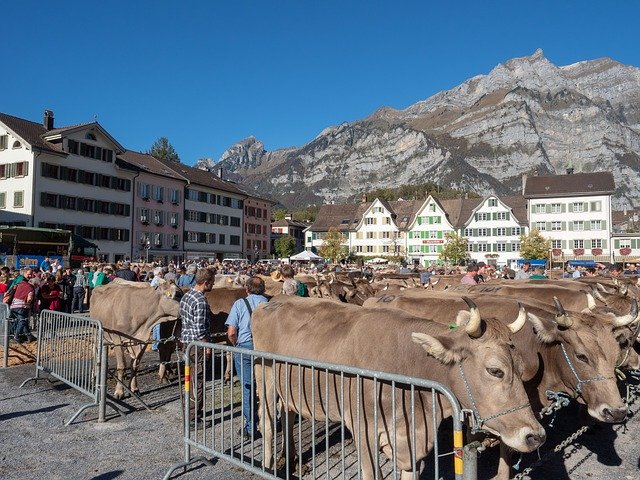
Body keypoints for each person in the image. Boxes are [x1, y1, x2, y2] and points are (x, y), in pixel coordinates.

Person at [226, 276, 268, 437]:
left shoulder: (239, 304)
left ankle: (251, 427)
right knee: (268, 386)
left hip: (245, 348)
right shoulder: (269, 304)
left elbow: (231, 332)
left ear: (247, 289)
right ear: (263, 289)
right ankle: (273, 420)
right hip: (266, 349)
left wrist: (236, 345)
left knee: (248, 386)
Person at [180, 268, 215, 420]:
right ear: (206, 283)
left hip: (187, 341)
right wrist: (207, 346)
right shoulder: (200, 301)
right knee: (198, 380)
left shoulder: (187, 295)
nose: (213, 285)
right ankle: (194, 416)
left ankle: (188, 411)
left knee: (189, 379)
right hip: (197, 345)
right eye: (212, 282)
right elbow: (200, 328)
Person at [10, 267, 37, 343]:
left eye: (31, 274)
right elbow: (29, 299)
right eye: (29, 274)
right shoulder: (30, 287)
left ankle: (29, 336)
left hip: (14, 305)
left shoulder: (19, 283)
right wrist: (29, 303)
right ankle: (16, 337)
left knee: (23, 321)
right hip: (22, 306)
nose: (30, 276)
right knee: (22, 321)